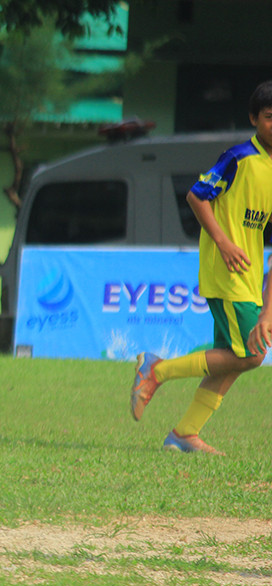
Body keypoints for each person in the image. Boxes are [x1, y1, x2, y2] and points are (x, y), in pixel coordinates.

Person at [130, 80, 272, 455]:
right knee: (251, 356)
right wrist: (224, 242)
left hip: (250, 273)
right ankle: (156, 370)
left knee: (234, 359)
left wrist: (268, 309)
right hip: (225, 268)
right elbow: (197, 196)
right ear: (254, 119)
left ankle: (185, 433)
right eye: (271, 117)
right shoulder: (238, 158)